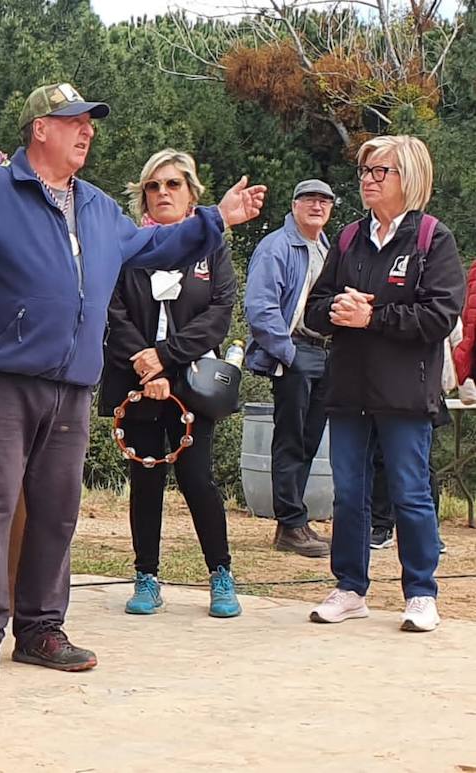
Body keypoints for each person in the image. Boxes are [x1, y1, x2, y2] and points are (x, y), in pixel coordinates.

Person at [0, 82, 265, 678]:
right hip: (0, 382)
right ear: (40, 128)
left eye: (89, 122)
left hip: (72, 388)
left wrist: (217, 220)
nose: (87, 131)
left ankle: (41, 630)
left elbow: (154, 246)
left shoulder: (100, 208)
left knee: (57, 512)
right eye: (74, 120)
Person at [304, 135, 462, 633]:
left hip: (405, 392)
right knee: (348, 493)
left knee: (410, 492)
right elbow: (313, 309)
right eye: (365, 172)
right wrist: (335, 311)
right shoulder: (349, 238)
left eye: (380, 172)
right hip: (349, 388)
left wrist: (372, 316)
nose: (368, 180)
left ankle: (420, 592)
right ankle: (350, 587)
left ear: (408, 177)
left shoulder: (432, 239)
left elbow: (440, 314)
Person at [99, 149, 239, 618]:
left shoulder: (212, 247)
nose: (163, 193)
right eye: (154, 186)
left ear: (191, 193)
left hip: (191, 380)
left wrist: (165, 360)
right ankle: (146, 576)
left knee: (197, 477)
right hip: (137, 377)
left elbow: (218, 316)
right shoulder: (131, 244)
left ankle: (220, 573)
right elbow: (113, 310)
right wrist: (147, 367)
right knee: (146, 477)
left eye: (173, 185)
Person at [243, 180, 337, 558]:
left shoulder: (325, 247)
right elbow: (260, 306)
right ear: (294, 205)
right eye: (310, 200)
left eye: (325, 201)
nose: (317, 207)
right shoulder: (277, 246)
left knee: (311, 438)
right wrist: (287, 353)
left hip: (325, 352)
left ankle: (296, 521)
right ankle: (290, 524)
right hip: (296, 350)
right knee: (291, 437)